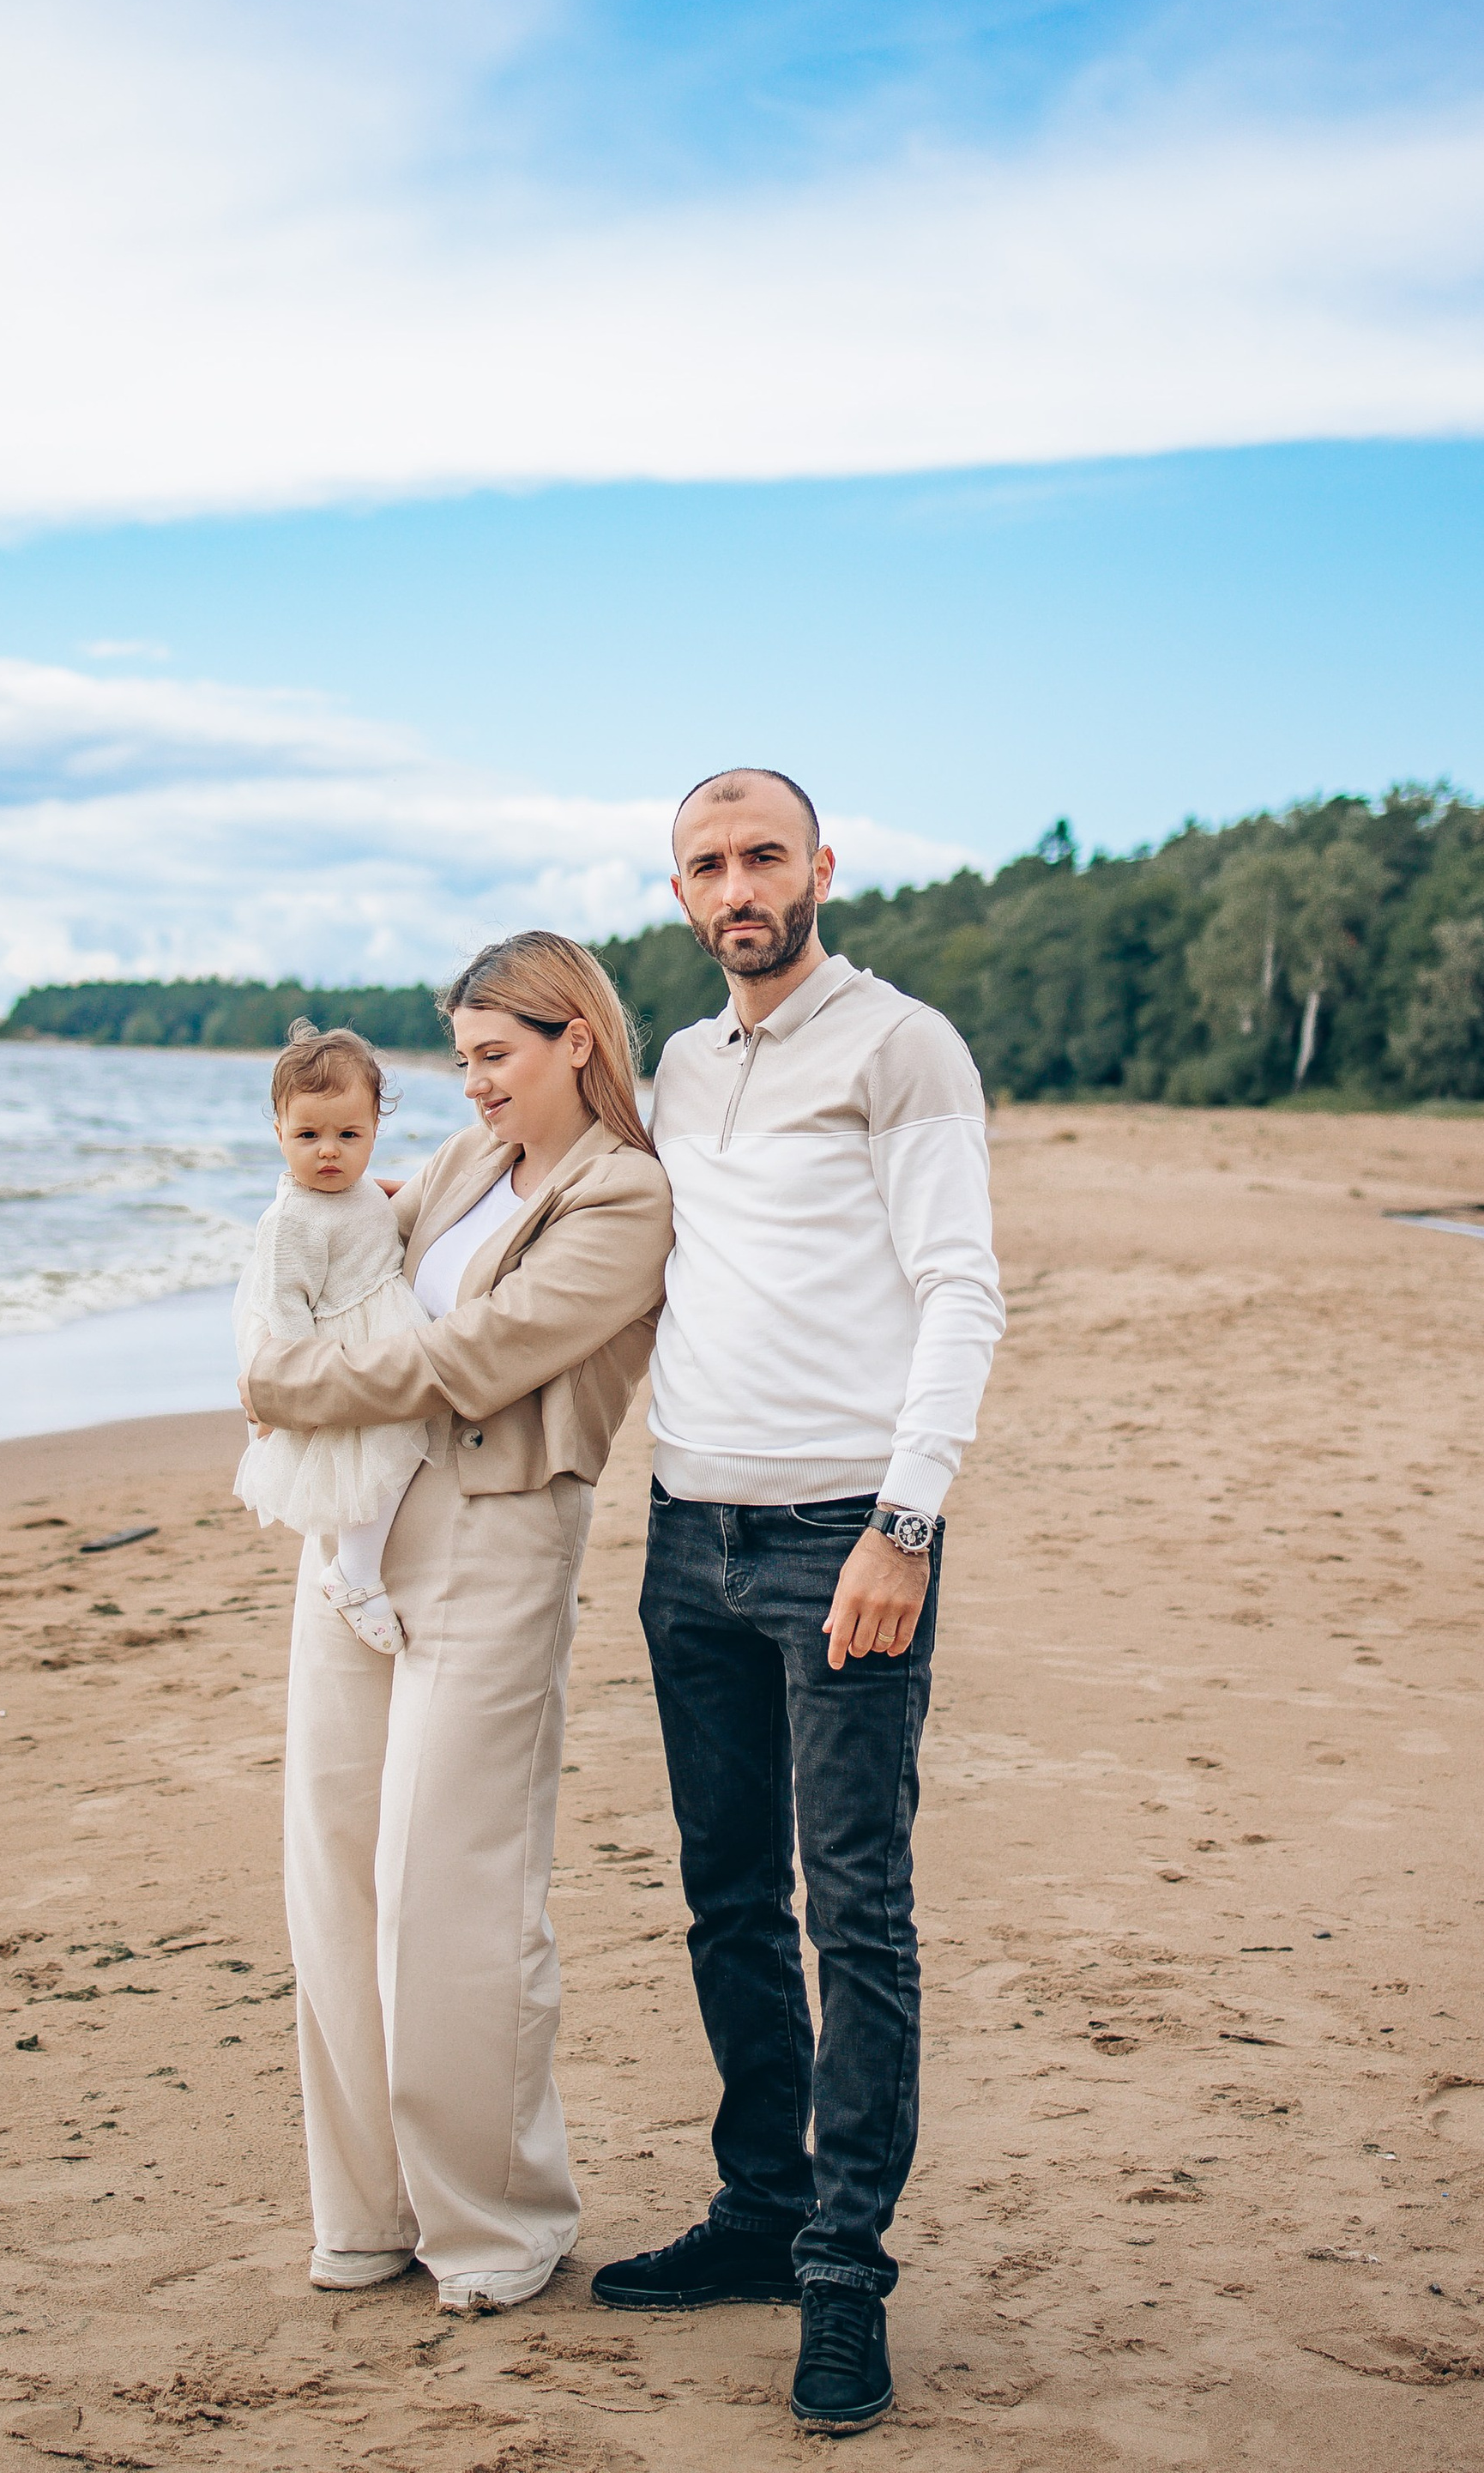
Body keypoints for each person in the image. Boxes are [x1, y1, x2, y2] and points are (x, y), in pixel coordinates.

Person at [592, 768, 1004, 2440]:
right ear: (681, 894)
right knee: (723, 1899)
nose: (736, 885)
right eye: (706, 864)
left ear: (820, 868)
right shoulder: (680, 1067)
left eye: (762, 854)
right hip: (687, 1533)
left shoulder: (897, 1045)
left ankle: (842, 2271)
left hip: (845, 1533)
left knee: (855, 1910)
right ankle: (758, 2211)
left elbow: (958, 1286)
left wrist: (903, 1524)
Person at [238, 932, 673, 2317]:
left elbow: (467, 1355)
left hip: (493, 1546)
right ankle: (367, 2213)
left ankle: (495, 2226)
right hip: (356, 1535)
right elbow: (351, 1249)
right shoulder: (463, 1168)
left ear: (576, 1044)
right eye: (463, 1058)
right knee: (336, 1877)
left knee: (455, 1896)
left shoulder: (625, 1199)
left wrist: (288, 1381)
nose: (473, 1086)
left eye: (496, 1057)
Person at [232, 1022, 432, 1654]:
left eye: (349, 1136)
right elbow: (283, 1308)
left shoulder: (362, 1188)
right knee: (371, 1462)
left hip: (381, 1331)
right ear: (279, 1136)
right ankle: (354, 1572)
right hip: (338, 1356)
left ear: (375, 1129)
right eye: (308, 1136)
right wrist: (302, 1391)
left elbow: (379, 1221)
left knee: (400, 1447)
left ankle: (363, 1564)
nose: (329, 1152)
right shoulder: (289, 1218)